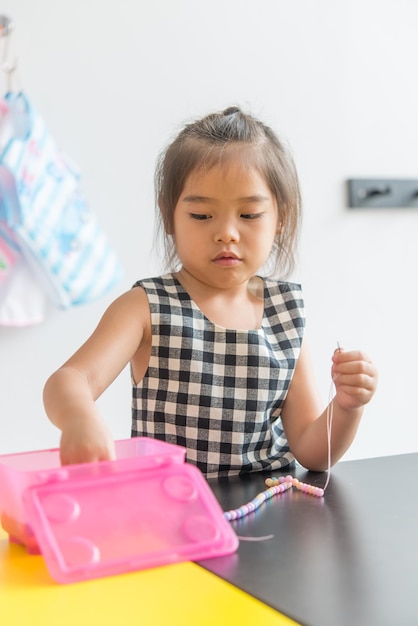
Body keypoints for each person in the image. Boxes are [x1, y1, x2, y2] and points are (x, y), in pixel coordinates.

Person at [43, 106, 378, 478]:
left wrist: (347, 405)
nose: (227, 233)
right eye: (202, 216)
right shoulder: (147, 307)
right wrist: (79, 418)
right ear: (170, 216)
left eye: (249, 215)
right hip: (174, 511)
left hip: (269, 512)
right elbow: (71, 379)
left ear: (280, 217)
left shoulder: (285, 313)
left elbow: (313, 453)